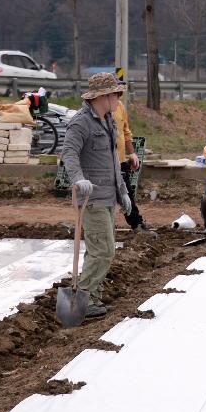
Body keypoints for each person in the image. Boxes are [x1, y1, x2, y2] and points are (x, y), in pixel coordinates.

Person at [61, 73, 132, 318]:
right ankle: (81, 299)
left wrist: (122, 192)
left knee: (97, 250)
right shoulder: (82, 123)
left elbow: (113, 161)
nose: (118, 99)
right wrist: (78, 180)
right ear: (103, 96)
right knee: (104, 251)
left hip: (108, 197)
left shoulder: (108, 121)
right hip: (92, 200)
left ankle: (93, 298)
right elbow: (69, 153)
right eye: (116, 95)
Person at [112, 96, 149, 232]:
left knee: (127, 194)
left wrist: (132, 153)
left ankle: (136, 224)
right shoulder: (99, 110)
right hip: (104, 163)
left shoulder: (120, 106)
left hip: (120, 162)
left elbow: (125, 132)